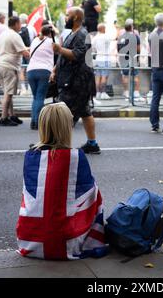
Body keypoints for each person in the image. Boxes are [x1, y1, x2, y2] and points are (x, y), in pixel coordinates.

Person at [16, 103, 108, 260]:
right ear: (67, 127)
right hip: (66, 241)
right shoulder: (76, 157)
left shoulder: (30, 156)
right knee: (95, 193)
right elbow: (90, 195)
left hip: (29, 240)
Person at [51, 7, 100, 154]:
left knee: (64, 113)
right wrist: (55, 69)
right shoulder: (73, 33)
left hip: (77, 82)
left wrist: (59, 50)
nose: (65, 18)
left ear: (76, 17)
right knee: (85, 112)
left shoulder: (82, 34)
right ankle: (92, 144)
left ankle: (58, 146)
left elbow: (77, 55)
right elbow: (64, 55)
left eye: (68, 15)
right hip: (72, 79)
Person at [0, 16, 30, 126]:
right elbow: (24, 52)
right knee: (8, 94)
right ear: (15, 24)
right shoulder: (15, 35)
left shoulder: (3, 34)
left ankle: (12, 115)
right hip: (9, 66)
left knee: (8, 92)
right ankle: (4, 118)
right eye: (19, 23)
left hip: (1, 65)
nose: (21, 26)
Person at [27, 25, 54, 130]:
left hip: (30, 71)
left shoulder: (34, 41)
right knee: (40, 97)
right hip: (44, 70)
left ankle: (33, 121)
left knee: (35, 97)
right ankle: (37, 122)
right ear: (50, 33)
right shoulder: (51, 42)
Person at [117, 19, 144, 101]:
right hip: (133, 58)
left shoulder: (121, 37)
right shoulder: (135, 36)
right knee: (135, 75)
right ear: (132, 27)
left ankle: (126, 93)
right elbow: (139, 49)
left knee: (125, 75)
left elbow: (118, 49)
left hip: (123, 58)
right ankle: (136, 93)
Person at [91, 23, 111, 100]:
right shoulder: (106, 37)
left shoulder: (95, 38)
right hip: (105, 59)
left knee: (97, 76)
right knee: (104, 76)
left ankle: (98, 93)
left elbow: (93, 48)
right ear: (103, 29)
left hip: (98, 58)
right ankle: (103, 93)